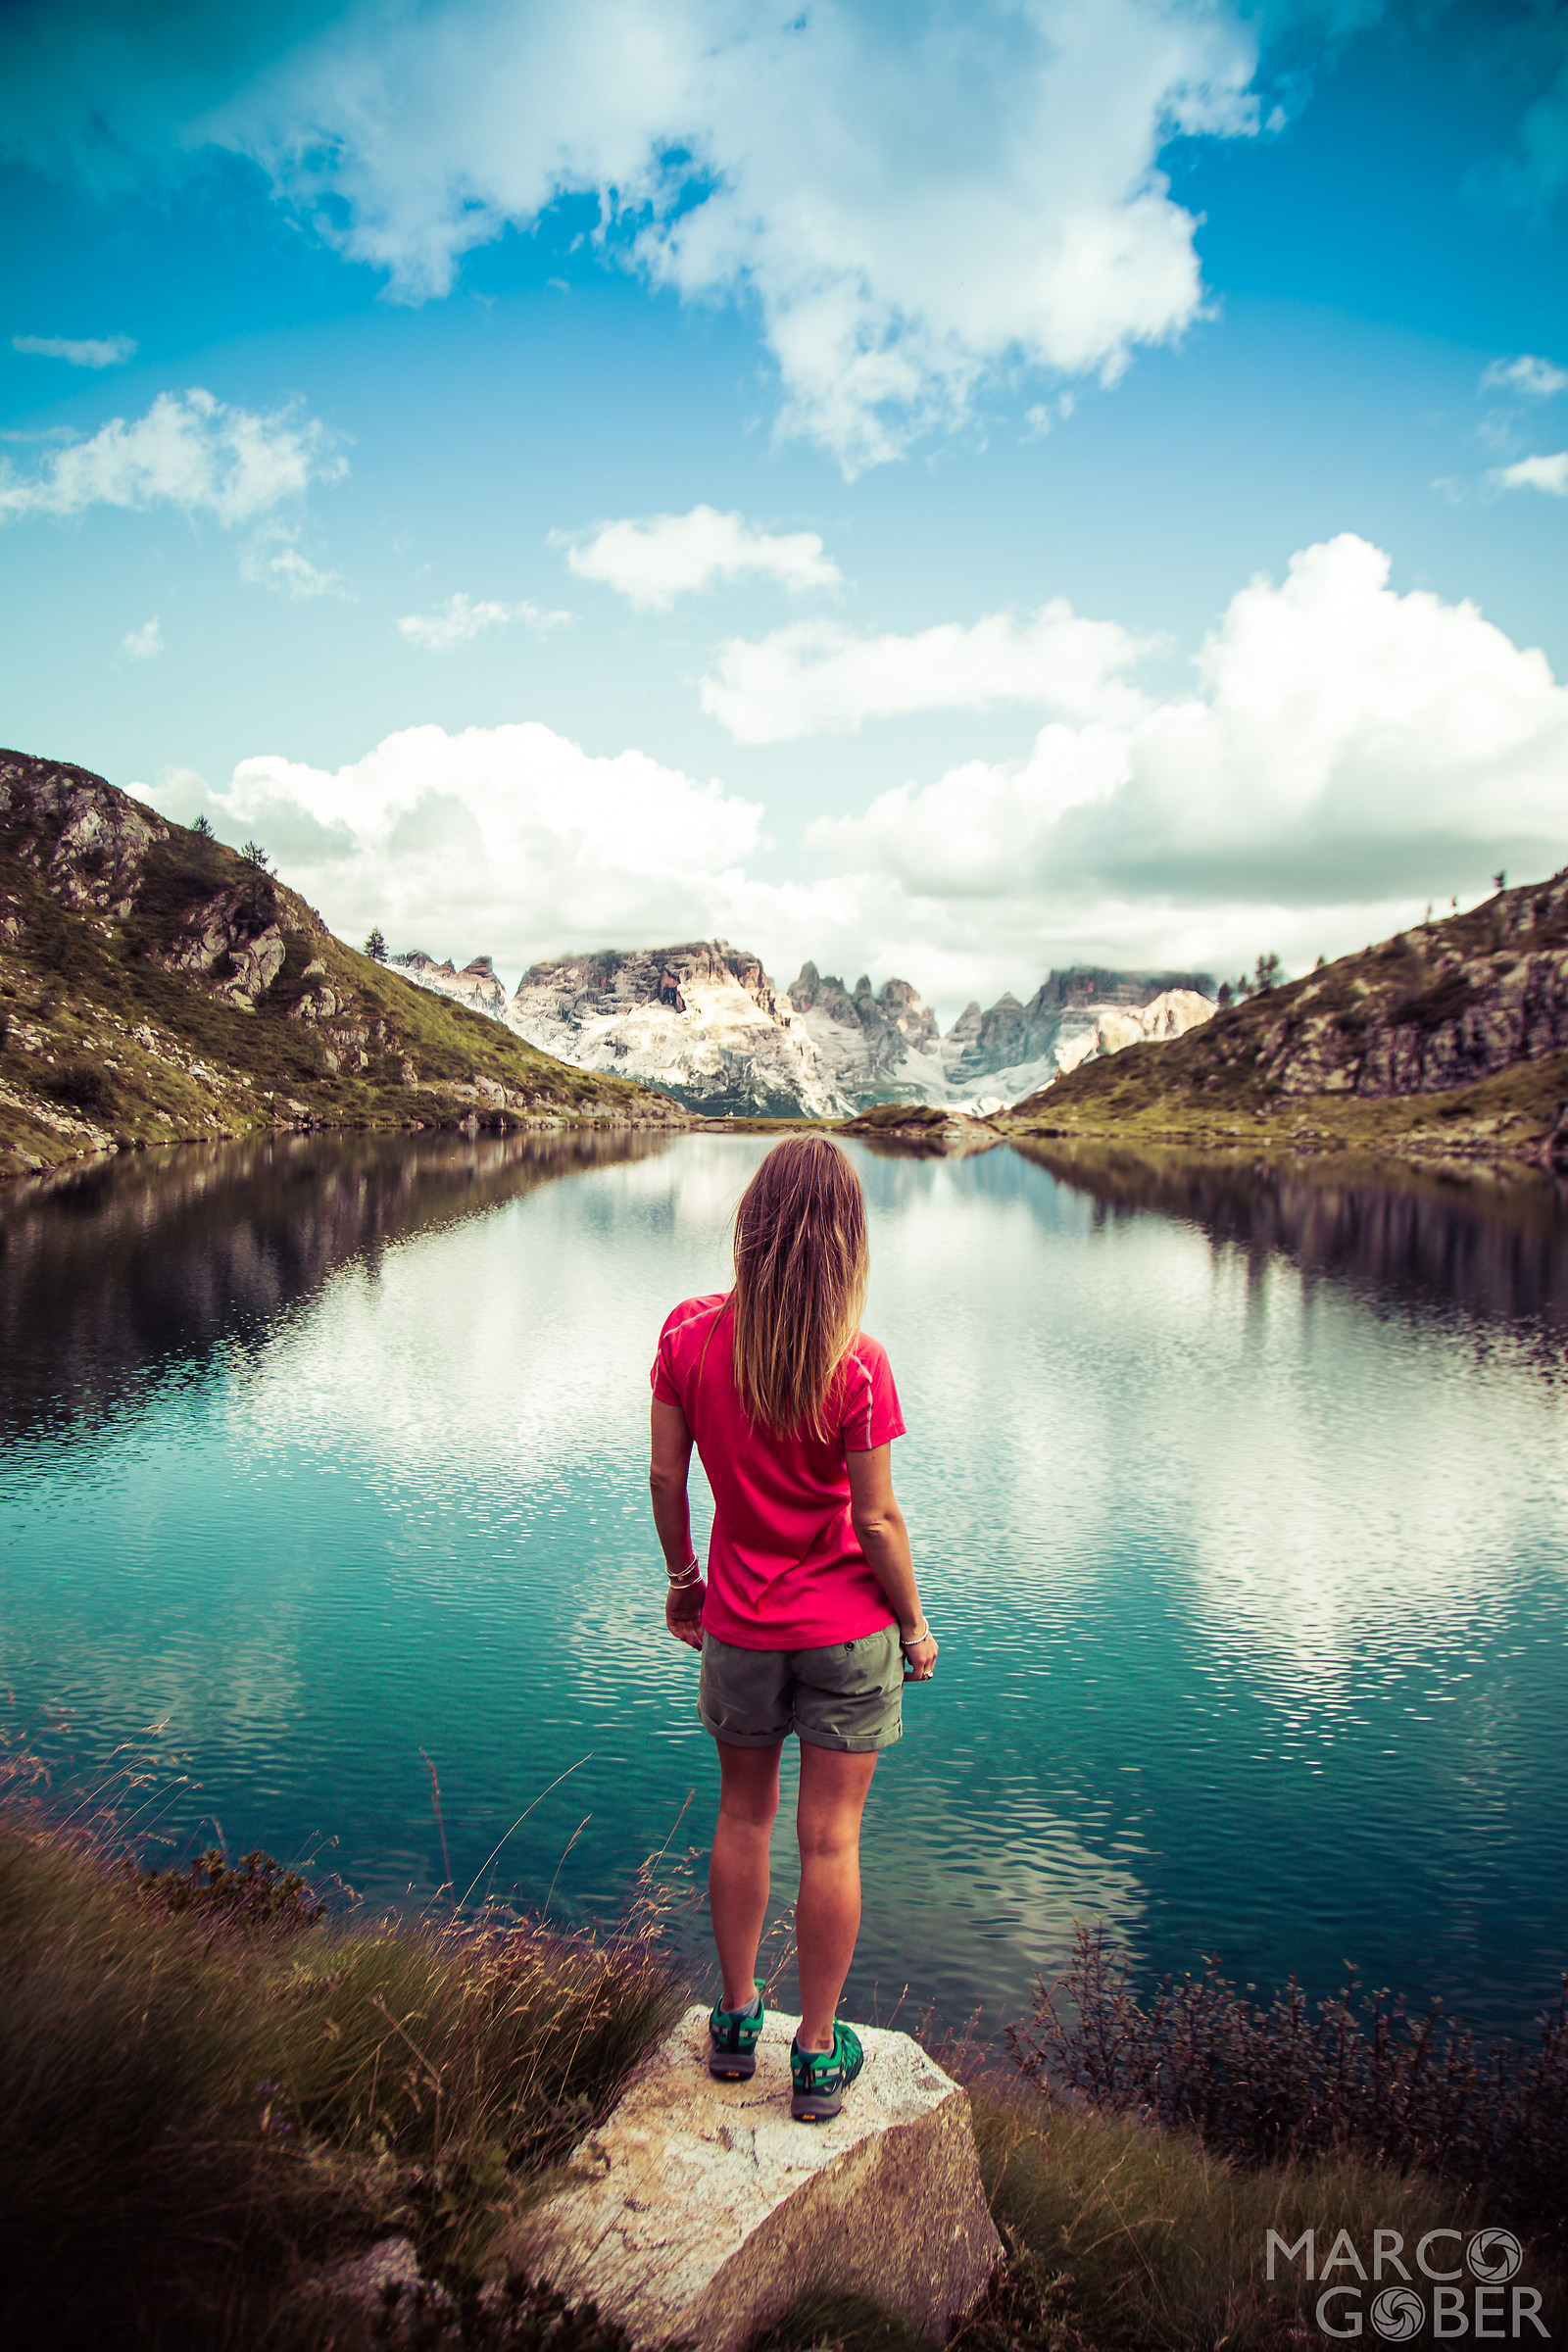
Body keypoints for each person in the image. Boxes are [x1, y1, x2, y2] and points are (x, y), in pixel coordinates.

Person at [648, 1135, 938, 2124]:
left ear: (752, 1224)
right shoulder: (856, 1364)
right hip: (848, 1633)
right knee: (829, 1841)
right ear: (844, 1240)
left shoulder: (687, 1335)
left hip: (738, 1625)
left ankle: (733, 2022)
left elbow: (662, 1476)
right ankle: (814, 2053)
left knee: (742, 1820)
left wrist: (684, 1579)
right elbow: (876, 1520)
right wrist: (916, 1625)